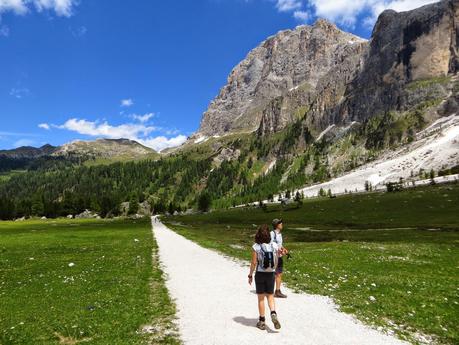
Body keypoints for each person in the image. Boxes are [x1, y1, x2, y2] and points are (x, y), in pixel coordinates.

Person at [248, 224, 282, 331]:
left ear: (258, 234)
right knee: (270, 296)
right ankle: (273, 313)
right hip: (271, 274)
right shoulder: (274, 246)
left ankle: (262, 321)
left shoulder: (256, 246)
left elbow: (254, 262)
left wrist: (250, 275)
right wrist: (274, 270)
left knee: (261, 298)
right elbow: (276, 260)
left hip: (260, 274)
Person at [271, 219, 288, 298]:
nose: (282, 224)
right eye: (280, 223)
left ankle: (277, 291)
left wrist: (283, 249)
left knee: (279, 273)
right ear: (277, 225)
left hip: (279, 257)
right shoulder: (272, 234)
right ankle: (268, 290)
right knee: (272, 274)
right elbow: (270, 245)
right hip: (274, 257)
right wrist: (279, 250)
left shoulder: (279, 234)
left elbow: (279, 245)